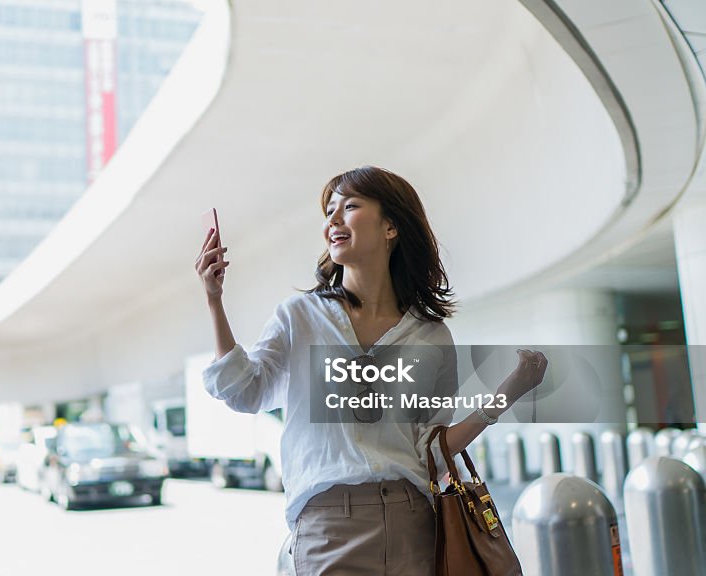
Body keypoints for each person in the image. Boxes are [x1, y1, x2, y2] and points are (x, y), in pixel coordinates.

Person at [194, 166, 548, 575]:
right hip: (329, 526)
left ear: (390, 226)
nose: (333, 220)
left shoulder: (430, 335)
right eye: (329, 211)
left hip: (412, 521)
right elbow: (246, 392)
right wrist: (214, 301)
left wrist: (508, 393)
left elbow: (432, 448)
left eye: (350, 206)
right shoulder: (301, 317)